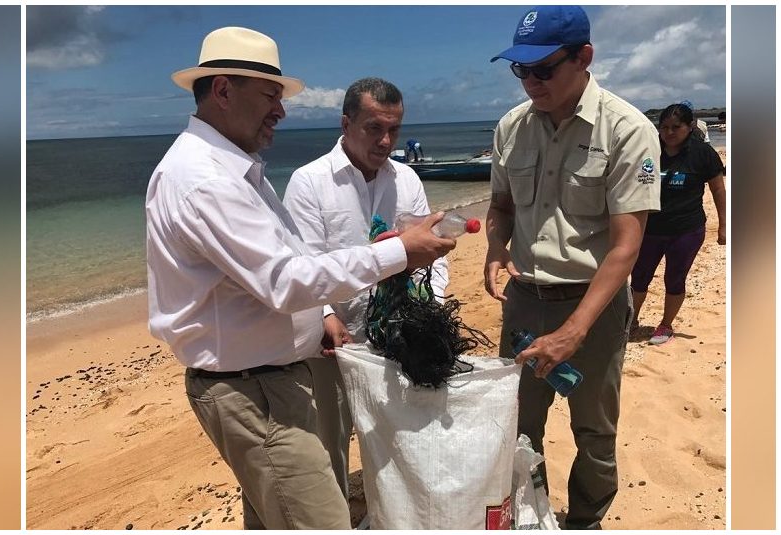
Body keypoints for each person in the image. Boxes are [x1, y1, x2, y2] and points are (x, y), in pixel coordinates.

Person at [145, 27, 455, 530]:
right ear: (223, 90)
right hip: (253, 391)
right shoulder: (206, 180)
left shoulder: (236, 170)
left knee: (275, 517)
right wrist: (398, 251)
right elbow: (288, 281)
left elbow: (290, 264)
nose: (281, 111)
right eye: (271, 95)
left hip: (268, 383)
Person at [483, 6, 661, 529]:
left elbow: (626, 248)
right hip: (523, 300)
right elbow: (500, 206)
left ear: (584, 57)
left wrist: (573, 330)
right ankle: (524, 517)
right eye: (521, 69)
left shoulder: (627, 130)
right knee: (516, 423)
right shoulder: (511, 127)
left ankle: (585, 521)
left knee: (595, 431)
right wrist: (496, 246)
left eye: (543, 69)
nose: (530, 82)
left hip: (595, 307)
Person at [283, 77, 449, 499]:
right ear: (346, 124)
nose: (386, 140)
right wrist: (325, 315)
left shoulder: (406, 179)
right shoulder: (309, 182)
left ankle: (391, 511)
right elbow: (302, 261)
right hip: (334, 339)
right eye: (374, 128)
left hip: (398, 334)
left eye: (394, 128)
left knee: (395, 428)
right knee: (329, 438)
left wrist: (435, 304)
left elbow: (430, 249)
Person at [630, 103, 726, 344]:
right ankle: (629, 322)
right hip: (650, 229)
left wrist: (724, 224)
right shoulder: (650, 150)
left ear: (690, 126)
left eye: (676, 127)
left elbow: (718, 190)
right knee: (639, 277)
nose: (669, 132)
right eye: (664, 127)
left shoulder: (703, 154)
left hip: (686, 229)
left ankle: (665, 325)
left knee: (674, 278)